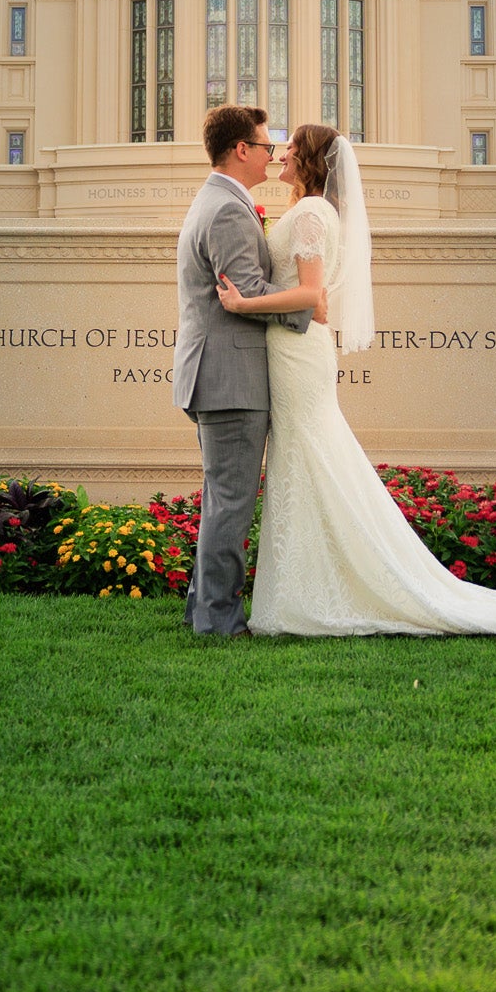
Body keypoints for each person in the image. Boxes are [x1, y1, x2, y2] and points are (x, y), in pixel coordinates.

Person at [217, 123, 496, 638]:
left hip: (298, 352)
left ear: (311, 158)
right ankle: (305, 588)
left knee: (307, 458)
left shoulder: (314, 213)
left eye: (292, 147)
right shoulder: (313, 210)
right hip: (291, 352)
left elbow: (312, 297)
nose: (284, 153)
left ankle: (320, 594)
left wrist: (243, 303)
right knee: (305, 461)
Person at [173, 104, 325, 636]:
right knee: (232, 503)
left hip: (215, 374)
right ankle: (217, 621)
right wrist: (313, 306)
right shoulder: (230, 211)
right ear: (241, 150)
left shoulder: (217, 200)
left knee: (222, 498)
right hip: (230, 380)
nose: (271, 154)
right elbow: (250, 293)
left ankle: (202, 609)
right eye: (264, 146)